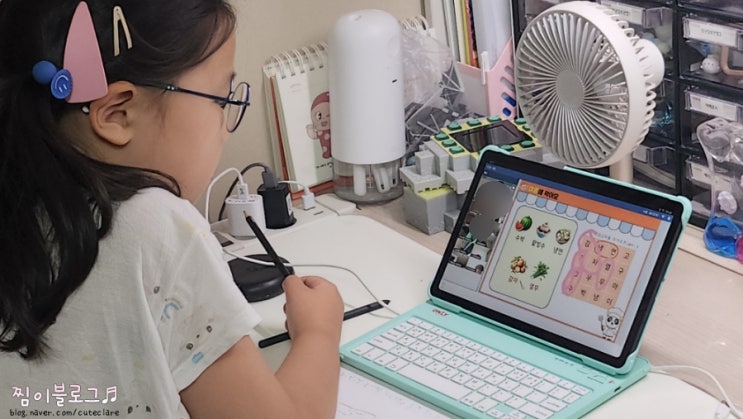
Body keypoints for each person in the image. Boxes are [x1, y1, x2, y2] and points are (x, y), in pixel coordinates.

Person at [0, 1, 344, 418]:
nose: (224, 127)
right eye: (221, 99)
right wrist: (318, 333)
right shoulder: (156, 226)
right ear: (117, 114)